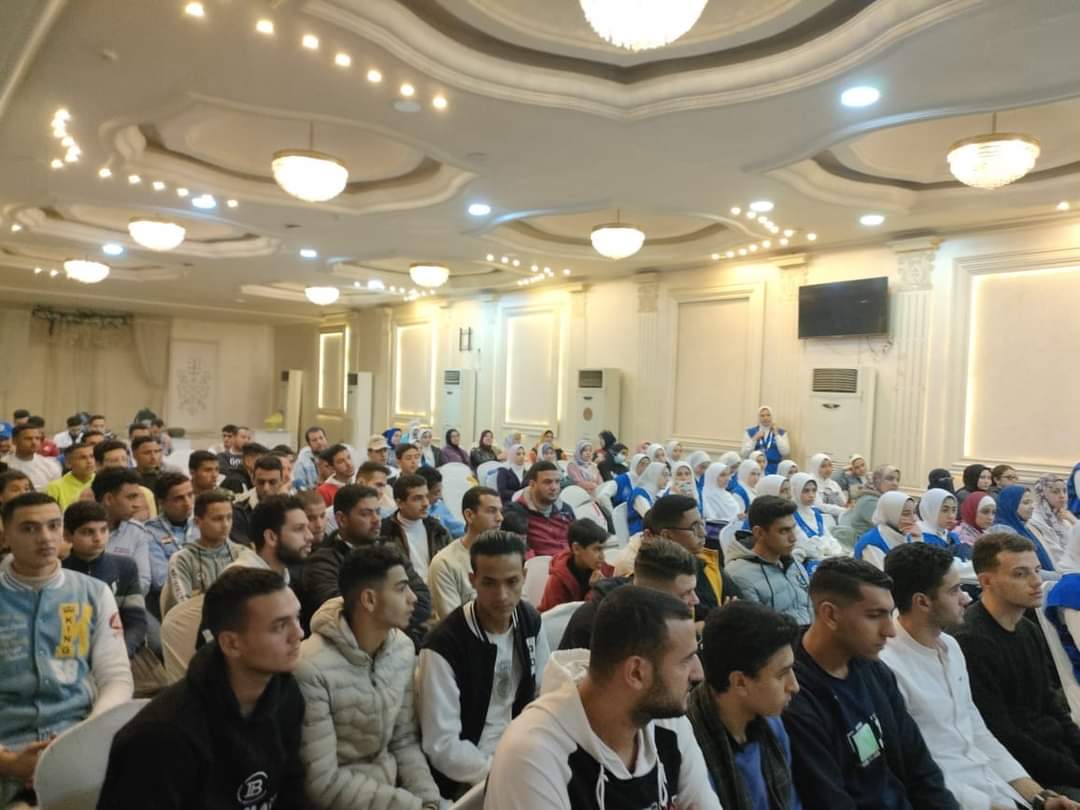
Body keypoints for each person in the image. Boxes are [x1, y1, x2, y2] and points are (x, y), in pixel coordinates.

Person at [485, 585, 719, 810]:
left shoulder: (669, 723)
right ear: (636, 673)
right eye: (685, 661)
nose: (698, 674)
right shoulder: (533, 754)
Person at [882, 542, 1078, 810]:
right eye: (954, 590)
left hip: (995, 784)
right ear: (922, 602)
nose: (966, 597)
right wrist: (989, 805)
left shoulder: (949, 646)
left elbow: (977, 732)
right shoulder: (887, 668)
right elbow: (915, 769)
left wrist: (1040, 797)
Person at [97, 567, 306, 810]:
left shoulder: (285, 693)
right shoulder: (161, 737)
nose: (299, 634)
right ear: (231, 643)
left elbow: (291, 791)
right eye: (280, 626)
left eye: (297, 618)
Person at [782, 557, 958, 809]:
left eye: (890, 614)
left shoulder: (875, 670)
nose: (890, 631)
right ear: (830, 614)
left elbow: (920, 768)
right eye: (875, 616)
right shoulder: (793, 693)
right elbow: (828, 801)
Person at [0, 492, 132, 806]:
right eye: (29, 528)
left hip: (78, 736)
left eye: (53, 525)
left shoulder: (94, 593)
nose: (45, 537)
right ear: (5, 536)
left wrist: (87, 736)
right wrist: (8, 762)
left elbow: (116, 678)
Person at [295, 544, 442, 810]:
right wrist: (412, 806)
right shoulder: (310, 667)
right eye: (401, 589)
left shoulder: (402, 648)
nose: (413, 598)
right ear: (369, 600)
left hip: (392, 794)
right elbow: (322, 782)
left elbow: (404, 741)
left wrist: (430, 800)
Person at [420, 530, 549, 797]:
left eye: (512, 581)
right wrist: (500, 774)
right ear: (473, 580)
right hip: (469, 775)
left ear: (524, 577)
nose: (502, 595)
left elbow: (543, 693)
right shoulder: (445, 645)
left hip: (522, 751)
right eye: (489, 583)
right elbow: (442, 744)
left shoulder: (529, 621)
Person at [954, 533, 1080, 797]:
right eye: (1020, 574)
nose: (1036, 581)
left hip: (1057, 755)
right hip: (1026, 774)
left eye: (1036, 570)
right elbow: (1005, 736)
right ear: (986, 581)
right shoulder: (971, 642)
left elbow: (1052, 706)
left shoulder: (1027, 629)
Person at [687, 601, 804, 810]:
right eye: (782, 675)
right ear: (740, 682)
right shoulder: (688, 749)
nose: (794, 686)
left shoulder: (772, 725)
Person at [301, 484, 431, 646]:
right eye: (366, 514)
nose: (376, 520)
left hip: (400, 644)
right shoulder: (323, 561)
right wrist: (393, 616)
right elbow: (341, 612)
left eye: (377, 512)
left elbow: (422, 600)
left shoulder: (390, 550)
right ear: (342, 519)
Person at [559, 537, 700, 650]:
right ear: (652, 593)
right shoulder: (595, 625)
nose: (695, 600)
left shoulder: (659, 615)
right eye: (685, 593)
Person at [615, 494, 738, 618]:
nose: (703, 533)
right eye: (694, 527)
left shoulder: (707, 562)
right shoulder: (644, 571)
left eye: (702, 524)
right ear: (667, 535)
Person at [61, 500, 147, 658]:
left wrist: (121, 653)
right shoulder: (59, 572)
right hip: (71, 654)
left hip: (118, 649)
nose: (98, 538)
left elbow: (136, 622)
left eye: (103, 530)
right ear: (67, 535)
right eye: (88, 532)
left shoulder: (126, 566)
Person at [725, 496, 812, 624]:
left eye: (793, 528)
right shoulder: (739, 576)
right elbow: (758, 630)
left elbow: (811, 609)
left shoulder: (794, 564)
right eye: (784, 531)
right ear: (759, 533)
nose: (793, 538)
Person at [161, 491, 246, 616]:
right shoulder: (182, 559)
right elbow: (184, 608)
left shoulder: (242, 554)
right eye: (217, 519)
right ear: (197, 522)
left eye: (229, 517)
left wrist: (200, 598)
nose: (225, 525)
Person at [429, 486, 503, 620]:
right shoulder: (444, 563)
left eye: (500, 511)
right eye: (491, 511)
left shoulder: (506, 556)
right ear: (469, 515)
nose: (500, 518)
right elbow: (452, 622)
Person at [92, 467, 154, 595]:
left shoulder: (137, 532)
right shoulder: (78, 529)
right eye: (131, 497)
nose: (137, 505)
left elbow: (143, 583)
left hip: (125, 602)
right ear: (109, 499)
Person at [380, 472, 451, 580]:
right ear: (400, 503)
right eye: (418, 498)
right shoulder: (384, 533)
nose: (426, 503)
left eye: (426, 496)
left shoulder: (438, 530)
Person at [145, 473, 198, 612]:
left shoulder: (203, 521)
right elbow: (161, 581)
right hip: (175, 607)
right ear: (161, 502)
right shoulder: (150, 532)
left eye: (190, 495)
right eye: (179, 498)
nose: (187, 503)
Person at [501, 461, 575, 558]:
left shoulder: (566, 510)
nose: (554, 487)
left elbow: (579, 540)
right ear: (532, 484)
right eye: (547, 482)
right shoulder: (515, 512)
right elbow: (520, 553)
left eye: (557, 482)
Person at [538, 518, 614, 611]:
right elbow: (554, 616)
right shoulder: (558, 581)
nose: (602, 556)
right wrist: (596, 590)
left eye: (603, 549)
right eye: (596, 549)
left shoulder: (603, 570)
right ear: (576, 549)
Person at [989, 485, 1056, 573]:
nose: (1032, 506)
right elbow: (1020, 568)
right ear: (1011, 505)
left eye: (1031, 502)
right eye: (1026, 503)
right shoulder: (1003, 530)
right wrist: (1057, 577)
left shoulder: (1023, 527)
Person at [854, 490, 920, 570]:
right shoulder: (872, 544)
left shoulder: (907, 535)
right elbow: (883, 575)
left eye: (914, 513)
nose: (914, 519)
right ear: (891, 514)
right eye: (906, 514)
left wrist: (918, 540)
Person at [789, 473, 845, 565]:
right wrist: (825, 547)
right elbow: (806, 547)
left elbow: (830, 539)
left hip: (826, 561)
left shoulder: (815, 513)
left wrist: (826, 548)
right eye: (806, 491)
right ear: (795, 491)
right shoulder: (791, 516)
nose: (811, 495)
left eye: (814, 490)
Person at [230, 454, 285, 546]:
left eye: (272, 482)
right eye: (261, 482)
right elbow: (243, 547)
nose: (266, 488)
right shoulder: (239, 510)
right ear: (253, 480)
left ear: (282, 481)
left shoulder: (291, 509)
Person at [1030, 474, 1078, 568]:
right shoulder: (1035, 519)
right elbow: (1053, 554)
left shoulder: (1064, 517)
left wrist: (1073, 520)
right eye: (1056, 492)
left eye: (1064, 491)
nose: (1062, 496)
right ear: (1043, 495)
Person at [844, 464, 901, 539]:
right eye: (890, 479)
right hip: (867, 543)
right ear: (877, 480)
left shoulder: (885, 499)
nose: (895, 483)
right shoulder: (868, 501)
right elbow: (891, 527)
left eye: (897, 480)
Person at [1, 423, 60, 489]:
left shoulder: (51, 465)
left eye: (37, 438)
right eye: (28, 439)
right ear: (14, 441)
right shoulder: (3, 464)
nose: (34, 442)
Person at [43, 440, 96, 508]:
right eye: (82, 458)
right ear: (68, 463)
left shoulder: (102, 481)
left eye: (92, 456)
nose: (89, 461)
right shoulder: (55, 488)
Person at [417, 465, 466, 538]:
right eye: (436, 493)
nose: (440, 496)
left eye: (440, 491)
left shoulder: (439, 506)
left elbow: (457, 528)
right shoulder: (415, 513)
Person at [915, 488, 964, 556]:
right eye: (945, 510)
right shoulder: (918, 537)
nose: (951, 516)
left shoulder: (952, 537)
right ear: (930, 510)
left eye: (954, 510)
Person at [741, 406, 790, 475]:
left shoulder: (781, 432)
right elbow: (744, 453)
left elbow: (785, 452)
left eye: (768, 415)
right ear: (758, 417)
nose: (765, 418)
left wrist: (777, 435)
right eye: (762, 416)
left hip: (775, 469)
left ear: (772, 416)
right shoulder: (750, 432)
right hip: (755, 469)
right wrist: (755, 438)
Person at [628, 460, 670, 536]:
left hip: (652, 533)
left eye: (668, 475)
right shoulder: (639, 494)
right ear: (654, 475)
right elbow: (650, 519)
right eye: (664, 475)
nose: (668, 479)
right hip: (640, 534)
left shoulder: (655, 495)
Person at [293, 425, 329, 490]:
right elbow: (301, 490)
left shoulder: (335, 458)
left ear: (326, 439)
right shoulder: (301, 463)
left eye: (321, 438)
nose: (319, 442)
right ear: (309, 444)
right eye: (314, 440)